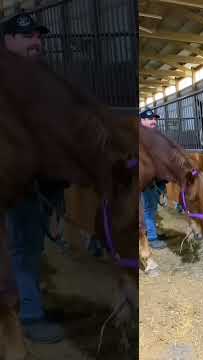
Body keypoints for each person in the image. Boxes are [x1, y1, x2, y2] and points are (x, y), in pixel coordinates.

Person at [3, 13, 67, 344]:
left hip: (39, 180)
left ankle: (29, 303)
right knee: (24, 247)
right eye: (27, 36)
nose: (36, 42)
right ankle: (29, 316)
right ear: (7, 40)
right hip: (16, 181)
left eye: (38, 37)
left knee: (31, 245)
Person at [140, 109, 168, 249]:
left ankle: (153, 232)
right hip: (147, 181)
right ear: (142, 120)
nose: (154, 121)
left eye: (155, 119)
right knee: (149, 208)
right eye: (150, 119)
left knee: (153, 208)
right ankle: (151, 237)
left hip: (157, 180)